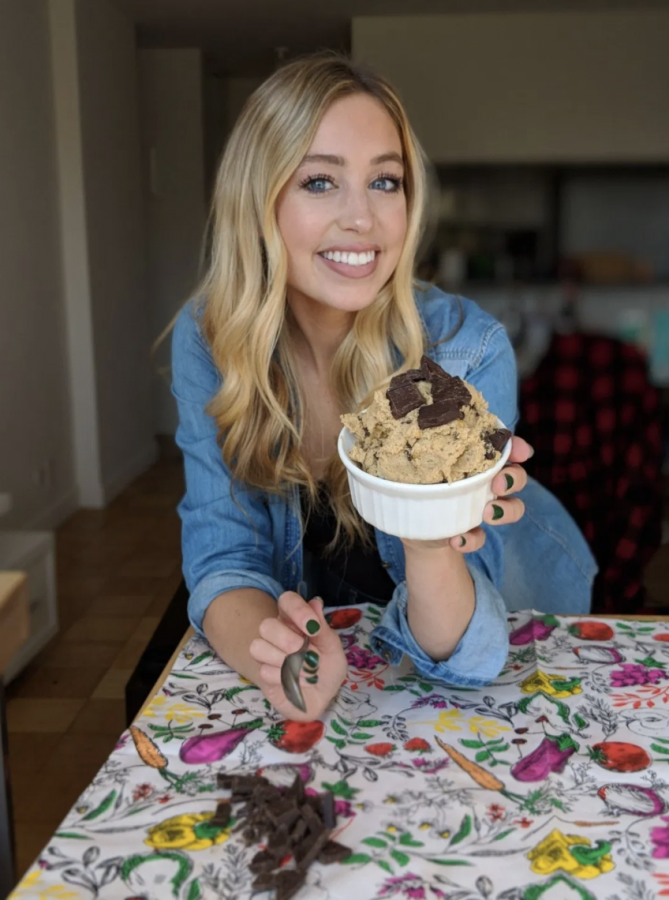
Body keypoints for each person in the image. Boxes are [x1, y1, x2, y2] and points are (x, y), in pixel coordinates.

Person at [171, 52, 596, 723]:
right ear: (258, 202)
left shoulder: (466, 347)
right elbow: (225, 554)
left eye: (385, 182)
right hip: (347, 623)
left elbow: (469, 653)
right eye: (318, 182)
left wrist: (431, 536)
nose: (362, 219)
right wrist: (280, 654)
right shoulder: (210, 341)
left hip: (511, 612)